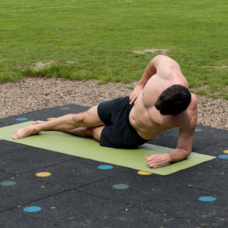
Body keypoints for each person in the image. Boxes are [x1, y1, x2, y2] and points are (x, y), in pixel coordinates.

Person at [12, 55, 197, 168]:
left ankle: (52, 127)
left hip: (131, 134)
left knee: (88, 131)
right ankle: (38, 127)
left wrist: (168, 157)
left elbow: (184, 149)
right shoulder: (168, 71)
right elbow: (155, 59)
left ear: (177, 112)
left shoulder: (187, 116)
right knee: (81, 117)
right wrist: (141, 85)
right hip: (126, 105)